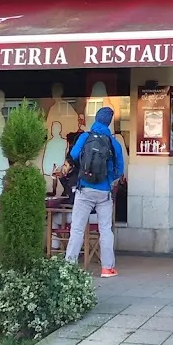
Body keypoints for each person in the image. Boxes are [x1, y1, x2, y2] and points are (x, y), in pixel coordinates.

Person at [64, 106, 125, 278]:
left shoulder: (85, 137)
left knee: (76, 229)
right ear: (109, 122)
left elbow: (74, 155)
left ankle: (69, 266)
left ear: (96, 119)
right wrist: (108, 178)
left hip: (84, 189)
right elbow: (120, 170)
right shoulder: (113, 143)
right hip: (104, 192)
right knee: (105, 229)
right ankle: (107, 268)